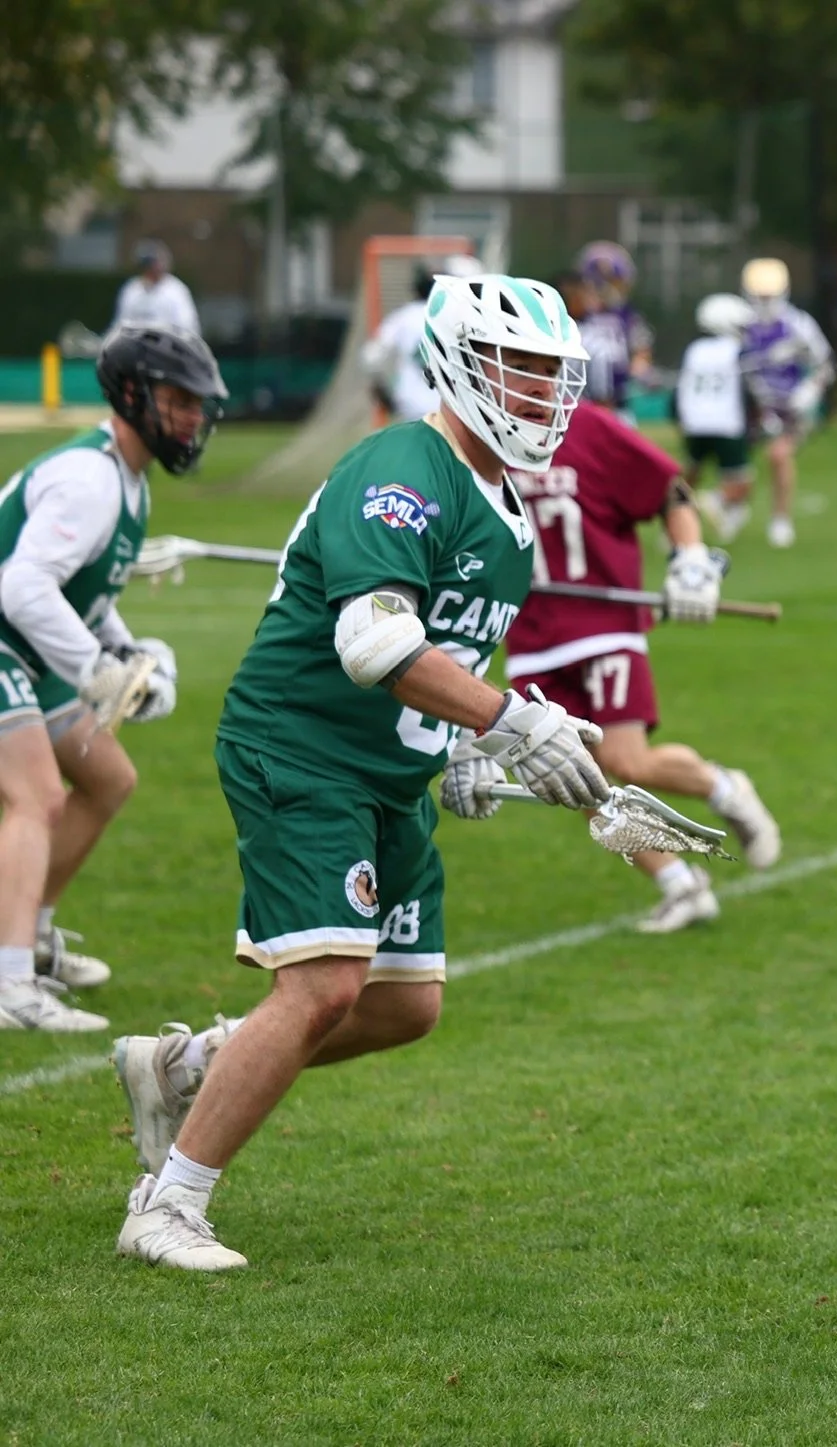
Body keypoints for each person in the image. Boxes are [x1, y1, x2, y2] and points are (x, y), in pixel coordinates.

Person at [109, 272, 606, 1270]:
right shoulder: (404, 465)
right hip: (302, 742)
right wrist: (512, 723)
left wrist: (463, 746)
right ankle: (166, 1207)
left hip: (386, 767)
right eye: (523, 372)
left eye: (554, 377)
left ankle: (183, 1064)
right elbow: (376, 645)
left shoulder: (504, 508)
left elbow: (447, 660)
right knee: (327, 984)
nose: (543, 396)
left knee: (402, 1003)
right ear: (464, 365)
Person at [0, 324, 225, 1028]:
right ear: (133, 394)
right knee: (37, 796)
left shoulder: (126, 479)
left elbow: (83, 598)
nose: (192, 418)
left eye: (198, 404)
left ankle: (28, 938)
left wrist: (127, 653)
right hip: (10, 643)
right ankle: (9, 984)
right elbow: (24, 588)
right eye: (178, 400)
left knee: (108, 777)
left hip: (25, 650)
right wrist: (95, 667)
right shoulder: (92, 478)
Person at [504, 398, 780, 932]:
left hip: (603, 625)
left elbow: (669, 488)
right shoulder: (481, 434)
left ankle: (725, 788)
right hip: (531, 635)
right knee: (575, 779)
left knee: (628, 761)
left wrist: (692, 559)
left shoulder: (586, 426)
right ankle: (679, 884)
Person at [729, 258, 836, 549]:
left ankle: (780, 519)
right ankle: (735, 506)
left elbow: (825, 365)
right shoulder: (740, 325)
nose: (764, 303)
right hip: (750, 405)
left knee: (779, 455)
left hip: (789, 406)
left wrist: (809, 391)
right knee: (735, 460)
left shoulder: (798, 324)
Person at [363, 255, 486, 423]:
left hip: (409, 405)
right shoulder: (460, 317)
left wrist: (379, 387)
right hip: (451, 407)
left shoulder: (402, 317)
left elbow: (372, 357)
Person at [679, 293, 756, 523]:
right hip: (726, 421)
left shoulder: (694, 349)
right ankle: (714, 500)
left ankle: (672, 518)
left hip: (694, 422)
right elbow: (748, 389)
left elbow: (682, 389)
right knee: (741, 481)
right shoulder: (737, 351)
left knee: (690, 474)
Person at [574, 242, 653, 424]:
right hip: (581, 387)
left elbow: (641, 349)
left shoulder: (628, 316)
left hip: (617, 391)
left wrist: (638, 369)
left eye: (611, 282)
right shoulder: (579, 313)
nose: (604, 288)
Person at [109, 241, 200, 337]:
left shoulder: (176, 291)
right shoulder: (131, 289)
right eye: (148, 265)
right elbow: (120, 323)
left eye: (155, 263)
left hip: (167, 346)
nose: (153, 268)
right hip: (136, 345)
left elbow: (188, 326)